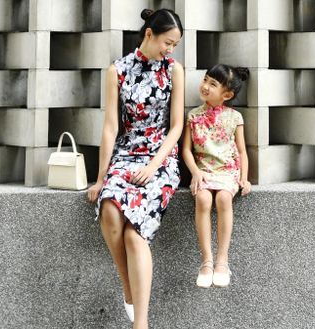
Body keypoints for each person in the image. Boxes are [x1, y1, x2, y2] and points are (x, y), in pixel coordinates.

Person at [86, 8, 184, 328]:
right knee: (110, 209)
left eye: (175, 45)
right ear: (149, 34)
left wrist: (155, 165)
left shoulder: (174, 70)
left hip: (161, 158)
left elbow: (176, 126)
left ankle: (140, 323)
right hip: (126, 153)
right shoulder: (117, 70)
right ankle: (128, 286)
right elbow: (110, 127)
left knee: (134, 233)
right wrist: (101, 178)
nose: (170, 50)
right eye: (167, 42)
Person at [182, 64, 252, 288]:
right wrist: (195, 172)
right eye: (205, 80)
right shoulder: (193, 115)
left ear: (227, 95)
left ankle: (222, 259)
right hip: (203, 170)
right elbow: (185, 150)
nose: (205, 86)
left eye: (213, 84)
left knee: (223, 198)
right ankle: (206, 260)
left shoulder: (235, 117)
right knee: (203, 199)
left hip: (227, 170)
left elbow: (241, 150)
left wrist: (244, 177)